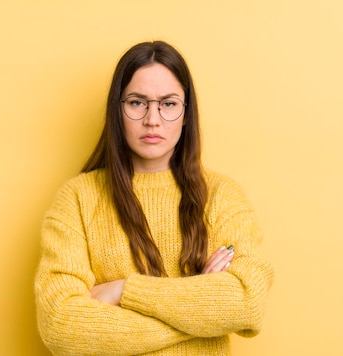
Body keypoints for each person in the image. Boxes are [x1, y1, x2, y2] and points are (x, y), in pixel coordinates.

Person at [34, 40, 274, 355]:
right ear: (117, 109)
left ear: (187, 114)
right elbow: (61, 326)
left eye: (169, 103)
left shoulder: (221, 196)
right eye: (137, 102)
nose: (152, 119)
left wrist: (123, 291)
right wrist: (199, 310)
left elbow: (247, 301)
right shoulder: (77, 199)